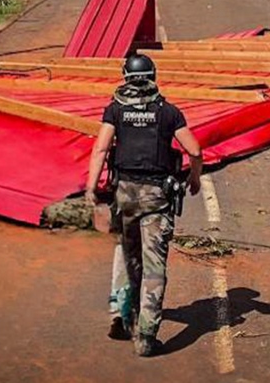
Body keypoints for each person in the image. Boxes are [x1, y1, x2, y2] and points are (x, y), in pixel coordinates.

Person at [85, 54, 203, 357]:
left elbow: (100, 149)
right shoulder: (168, 112)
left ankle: (121, 318)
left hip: (124, 195)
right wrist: (194, 179)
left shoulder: (115, 110)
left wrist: (90, 189)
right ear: (154, 76)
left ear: (125, 77)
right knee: (154, 268)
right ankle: (147, 338)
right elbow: (195, 149)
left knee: (125, 255)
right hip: (156, 198)